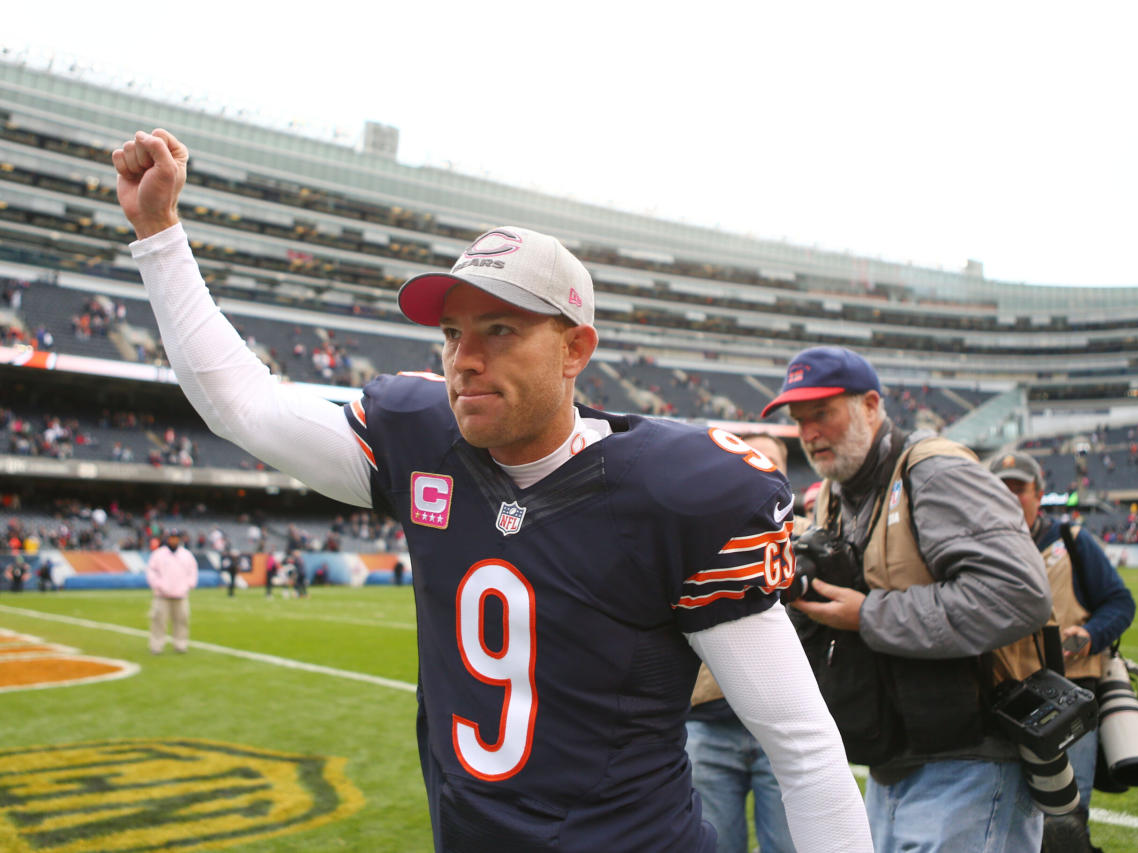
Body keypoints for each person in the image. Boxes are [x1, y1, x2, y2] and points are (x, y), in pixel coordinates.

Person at [111, 128, 872, 852]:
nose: (463, 359)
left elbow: (802, 747)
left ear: (575, 348)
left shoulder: (675, 492)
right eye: (451, 333)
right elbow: (240, 404)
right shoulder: (420, 444)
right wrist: (160, 235)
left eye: (500, 330)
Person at [763, 345, 1053, 853]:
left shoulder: (934, 470)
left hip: (972, 756)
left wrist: (869, 615)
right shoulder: (835, 489)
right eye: (799, 420)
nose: (809, 433)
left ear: (871, 405)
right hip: (896, 755)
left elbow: (1019, 594)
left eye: (823, 413)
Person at [989, 450, 1135, 848]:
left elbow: (1120, 603)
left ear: (1038, 494)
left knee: (1065, 820)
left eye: (1019, 488)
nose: (1009, 496)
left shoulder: (1071, 540)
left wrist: (1088, 635)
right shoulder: (978, 548)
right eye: (1000, 488)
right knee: (1000, 815)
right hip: (1002, 703)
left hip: (1068, 699)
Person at [687, 432, 796, 853]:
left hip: (782, 726)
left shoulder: (808, 539)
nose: (758, 467)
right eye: (749, 458)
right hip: (709, 724)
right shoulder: (695, 534)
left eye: (769, 461)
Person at [146, 528, 198, 654]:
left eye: (176, 538)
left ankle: (181, 644)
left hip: (181, 594)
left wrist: (188, 585)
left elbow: (193, 572)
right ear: (168, 539)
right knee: (158, 621)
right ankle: (156, 645)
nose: (174, 540)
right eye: (171, 538)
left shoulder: (186, 555)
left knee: (182, 621)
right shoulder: (158, 554)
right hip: (162, 595)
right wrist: (158, 585)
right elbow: (151, 571)